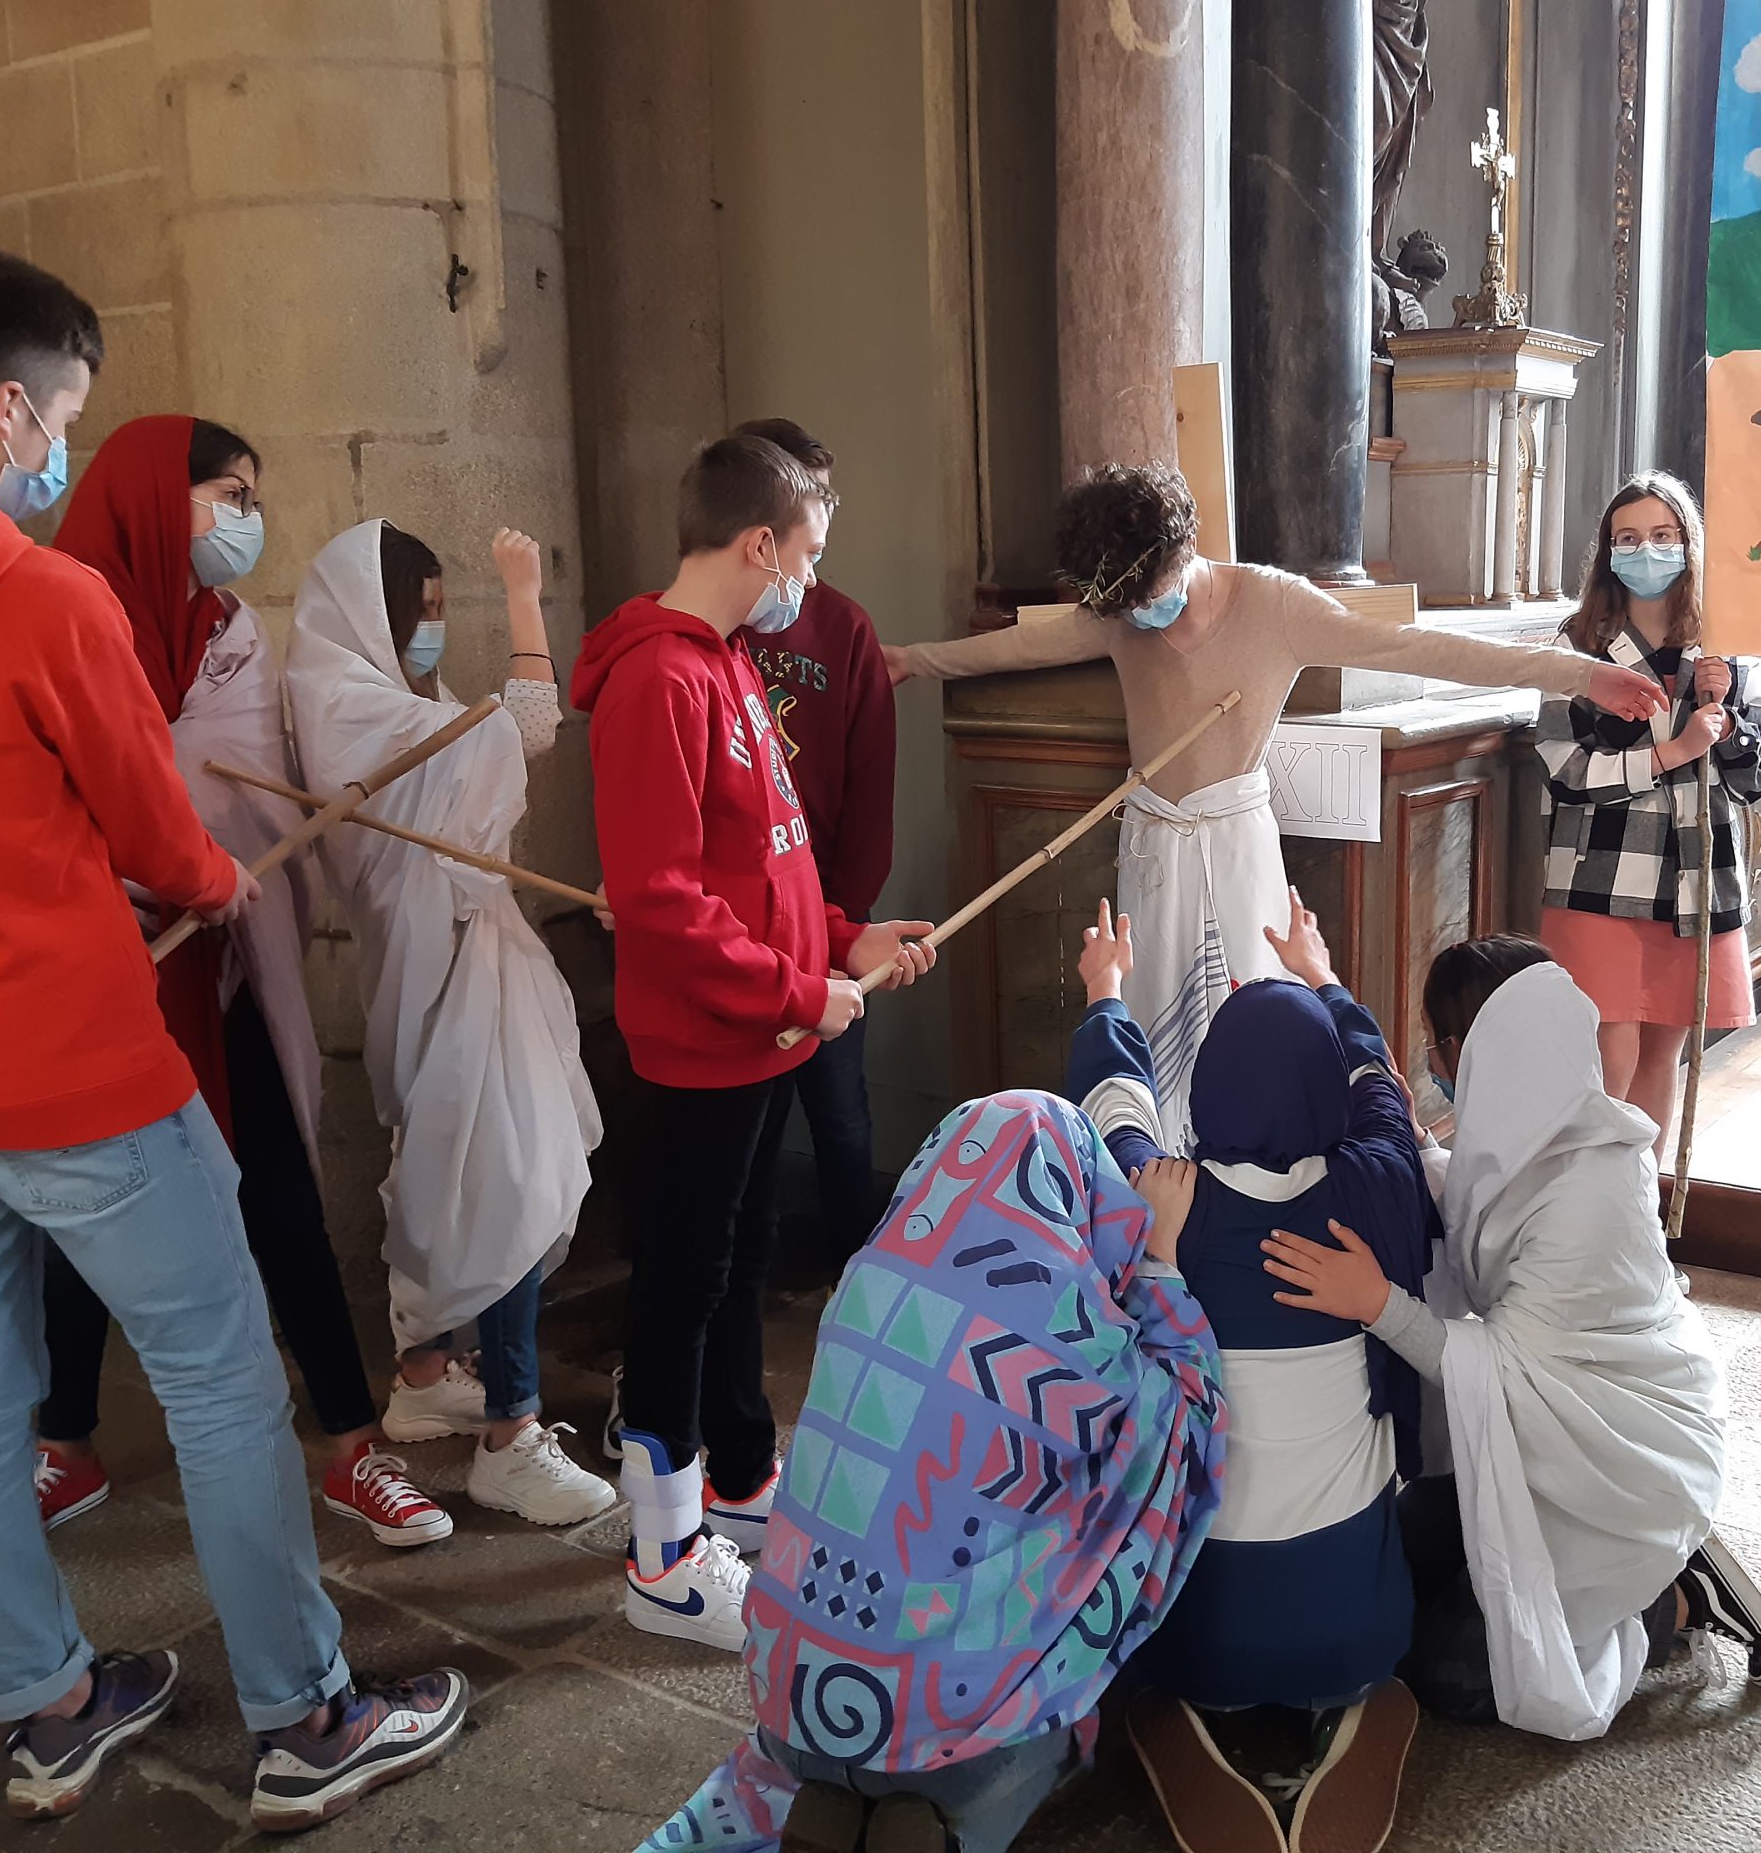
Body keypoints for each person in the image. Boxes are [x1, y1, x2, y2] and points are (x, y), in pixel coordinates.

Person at [0, 246, 465, 1828]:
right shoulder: (46, 597)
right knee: (223, 1384)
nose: (58, 455)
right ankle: (307, 1716)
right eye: (60, 423)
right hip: (73, 1072)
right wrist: (213, 880)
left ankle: (47, 1708)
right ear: (5, 409)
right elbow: (158, 831)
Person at [889, 462, 1668, 1147]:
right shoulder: (1119, 605)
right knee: (1149, 1008)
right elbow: (1022, 646)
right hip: (1155, 843)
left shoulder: (1275, 605)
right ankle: (1152, 1169)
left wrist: (1580, 675)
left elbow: (1423, 648)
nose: (1142, 615)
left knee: (1254, 1013)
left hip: (1236, 845)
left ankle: (1258, 1175)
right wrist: (912, 661)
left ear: (1184, 548)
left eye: (1152, 596)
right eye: (1125, 608)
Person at [29, 415, 445, 1547]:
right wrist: (118, 877)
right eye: (228, 494)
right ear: (150, 497)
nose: (246, 520)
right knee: (79, 1211)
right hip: (100, 966)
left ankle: (350, 1446)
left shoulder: (232, 637)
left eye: (251, 498)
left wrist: (212, 861)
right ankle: (64, 1443)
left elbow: (243, 788)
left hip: (221, 960)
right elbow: (29, 801)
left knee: (281, 1199)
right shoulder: (58, 617)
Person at [631, 1090, 1226, 1853]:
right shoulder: (1078, 1345)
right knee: (1067, 1692)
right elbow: (1187, 1421)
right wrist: (1156, 1262)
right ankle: (943, 1827)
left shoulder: (865, 1287)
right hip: (954, 1741)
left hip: (790, 1706)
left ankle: (832, 1794)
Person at [573, 433, 937, 1648]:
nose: (813, 582)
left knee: (735, 1262)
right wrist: (798, 990)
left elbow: (769, 862)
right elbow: (665, 903)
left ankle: (736, 1477)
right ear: (758, 544)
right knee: (679, 1285)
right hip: (708, 1039)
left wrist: (845, 937)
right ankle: (663, 1554)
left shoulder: (728, 660)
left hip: (766, 1028)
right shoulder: (658, 681)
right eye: (809, 555)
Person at [1259, 936, 1761, 1741]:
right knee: (1387, 1570)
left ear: (1473, 1050)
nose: (1436, 1068)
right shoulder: (1535, 1137)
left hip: (1620, 1466)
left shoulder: (1594, 1186)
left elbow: (1508, 1369)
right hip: (1547, 1444)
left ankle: (1680, 1597)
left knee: (1456, 1673)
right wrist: (1329, 988)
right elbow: (1472, 1203)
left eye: (1436, 1048)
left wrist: (1377, 1304)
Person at [1067, 895, 1436, 1853]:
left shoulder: (1160, 1200)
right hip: (1360, 1625)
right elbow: (1376, 1081)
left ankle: (1189, 1708)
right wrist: (1323, 979)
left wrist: (1107, 990)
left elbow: (1113, 1104)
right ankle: (1346, 1701)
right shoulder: (1377, 1182)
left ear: (1209, 1092)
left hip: (1194, 1632)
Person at [285, 518, 614, 1529]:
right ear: (373, 615)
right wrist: (522, 595)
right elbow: (532, 722)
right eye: (421, 612)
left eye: (439, 611)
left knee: (455, 1167)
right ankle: (510, 1436)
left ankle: (426, 1376)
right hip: (447, 964)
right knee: (504, 1180)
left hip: (460, 958)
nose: (433, 630)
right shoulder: (352, 705)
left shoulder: (395, 703)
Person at [1529, 472, 1761, 1158]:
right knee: (1606, 1058)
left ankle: (1641, 1203)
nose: (1647, 550)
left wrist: (1727, 721)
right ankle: (1591, 1201)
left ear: (1688, 543)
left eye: (1663, 535)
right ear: (1608, 551)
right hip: (1601, 875)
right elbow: (1563, 767)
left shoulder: (1728, 644)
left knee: (1660, 1058)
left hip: (1693, 880)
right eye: (1629, 538)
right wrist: (1673, 752)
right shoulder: (1577, 645)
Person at [736, 418, 897, 1280]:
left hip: (829, 912)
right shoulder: (718, 629)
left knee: (839, 1110)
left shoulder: (844, 628)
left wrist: (847, 914)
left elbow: (872, 780)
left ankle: (854, 1273)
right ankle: (751, 1278)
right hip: (738, 919)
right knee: (750, 1123)